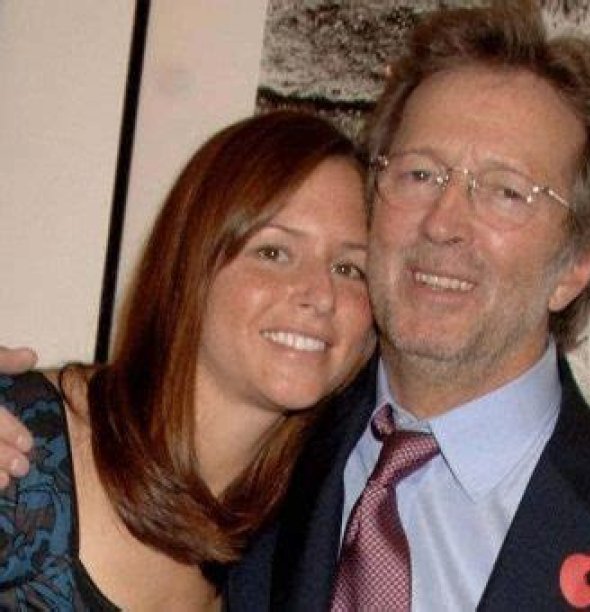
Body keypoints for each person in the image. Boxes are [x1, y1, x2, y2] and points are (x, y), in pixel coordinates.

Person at [3, 2, 590, 610]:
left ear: (577, 265)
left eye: (507, 191)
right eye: (420, 173)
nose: (444, 222)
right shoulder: (262, 449)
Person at [0, 110, 375, 610]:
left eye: (349, 268)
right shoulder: (20, 448)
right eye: (274, 253)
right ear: (190, 264)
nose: (321, 294)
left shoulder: (301, 547)